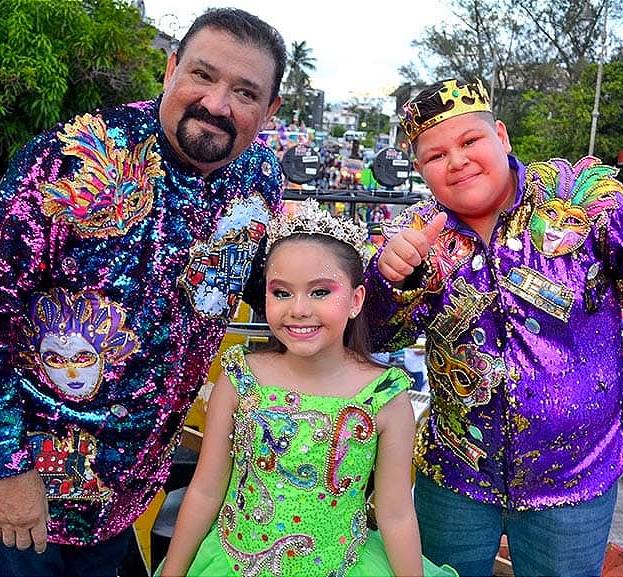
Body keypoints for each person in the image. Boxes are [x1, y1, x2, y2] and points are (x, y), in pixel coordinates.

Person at [0, 8, 287, 577]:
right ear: (171, 70)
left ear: (270, 111)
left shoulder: (260, 179)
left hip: (121, 500)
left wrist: (390, 280)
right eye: (202, 75)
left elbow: (277, 289)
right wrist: (3, 467)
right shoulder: (75, 155)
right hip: (17, 495)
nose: (217, 104)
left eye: (245, 92)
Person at [362, 77, 623, 576]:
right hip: (455, 477)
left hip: (576, 478)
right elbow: (375, 337)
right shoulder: (416, 233)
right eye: (435, 156)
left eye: (470, 141)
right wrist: (390, 280)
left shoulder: (587, 201)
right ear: (419, 170)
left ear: (501, 136)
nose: (456, 161)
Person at [157, 199, 457, 577]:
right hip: (232, 562)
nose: (298, 309)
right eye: (281, 293)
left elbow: (395, 513)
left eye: (320, 292)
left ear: (355, 300)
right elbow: (205, 490)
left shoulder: (384, 397)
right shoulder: (240, 379)